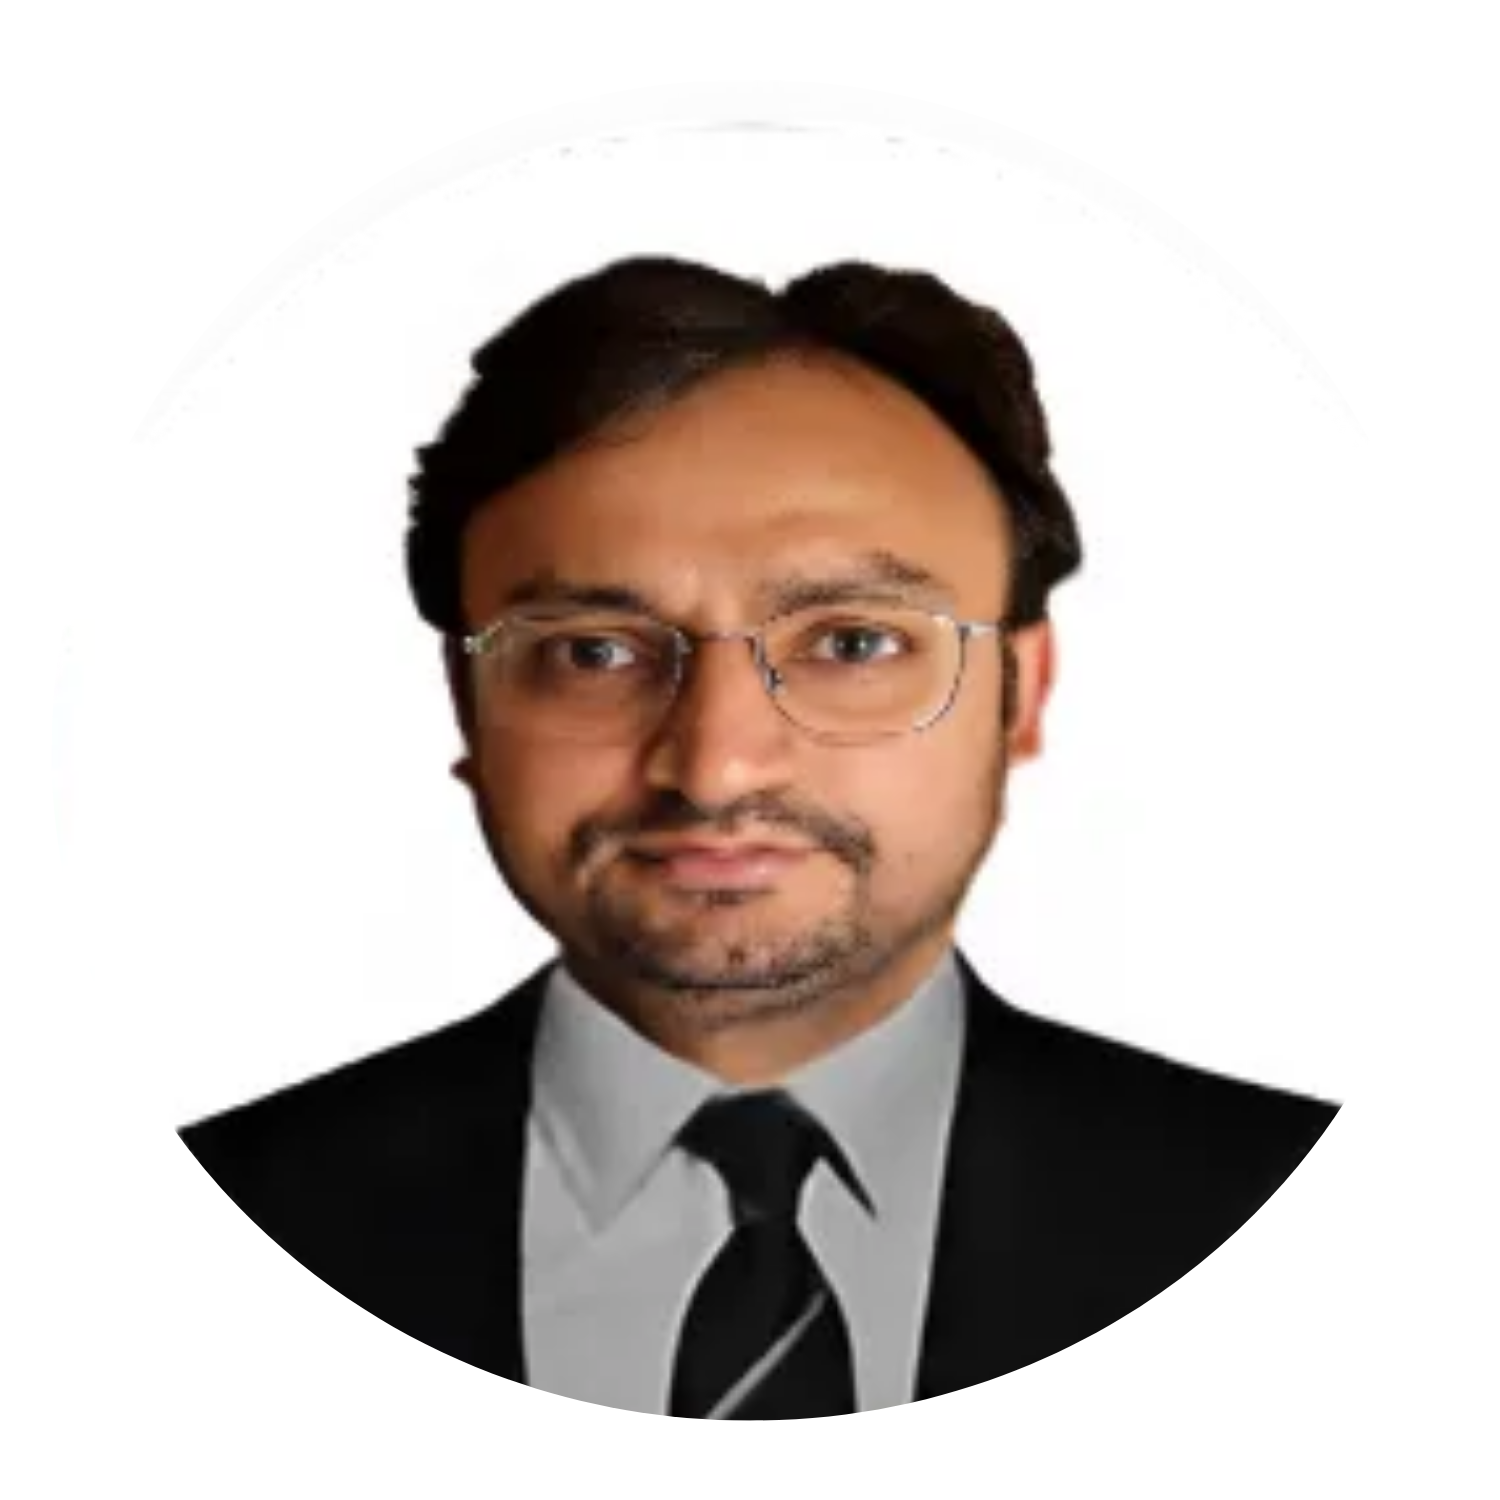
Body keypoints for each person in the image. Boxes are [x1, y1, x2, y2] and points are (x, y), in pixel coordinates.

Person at [179, 254, 1338, 1418]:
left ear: (1021, 694)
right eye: (591, 651)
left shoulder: (1305, 1211)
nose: (716, 765)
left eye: (851, 643)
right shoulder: (210, 1220)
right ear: (466, 702)